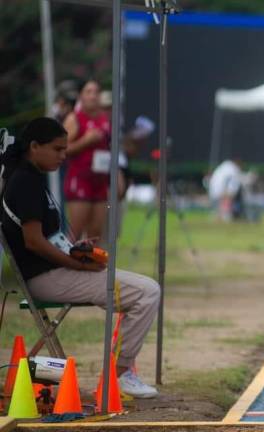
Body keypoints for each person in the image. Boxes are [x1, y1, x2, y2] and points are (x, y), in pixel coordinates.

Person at [0, 117, 160, 398]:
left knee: (143, 289)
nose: (64, 155)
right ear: (34, 147)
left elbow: (43, 238)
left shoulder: (30, 176)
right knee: (147, 292)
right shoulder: (25, 181)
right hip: (46, 278)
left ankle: (112, 372)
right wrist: (76, 264)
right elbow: (33, 242)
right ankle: (119, 374)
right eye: (58, 149)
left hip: (53, 272)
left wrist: (75, 250)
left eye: (65, 149)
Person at [62, 79, 111, 242]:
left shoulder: (105, 119)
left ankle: (91, 265)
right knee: (75, 232)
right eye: (88, 92)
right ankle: (69, 266)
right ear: (81, 96)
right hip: (80, 181)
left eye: (96, 92)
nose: (93, 96)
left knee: (96, 234)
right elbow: (62, 149)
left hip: (100, 181)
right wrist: (86, 141)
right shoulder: (74, 118)